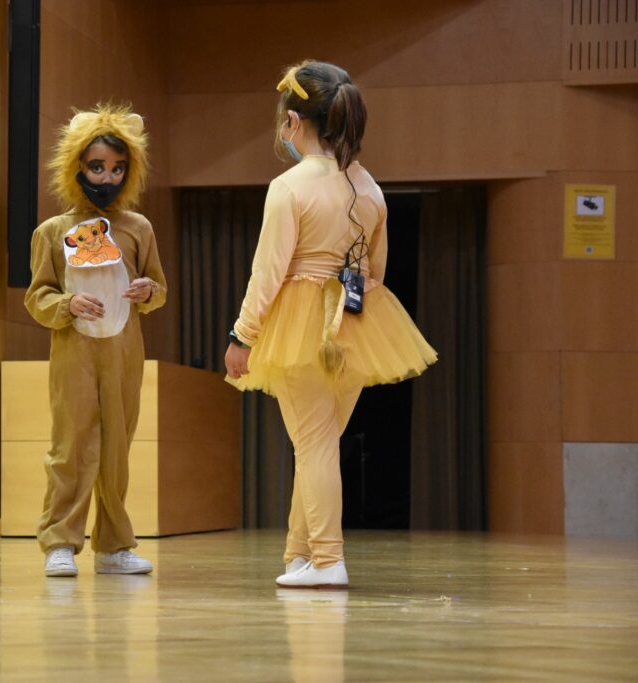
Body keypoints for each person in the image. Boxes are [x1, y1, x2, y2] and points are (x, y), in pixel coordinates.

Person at [224, 61, 437, 589]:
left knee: (314, 445)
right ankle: (299, 554)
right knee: (318, 443)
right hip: (357, 323)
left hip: (301, 321)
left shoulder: (289, 186)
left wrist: (242, 335)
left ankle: (327, 559)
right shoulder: (371, 190)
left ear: (295, 122)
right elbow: (376, 273)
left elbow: (267, 271)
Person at [25, 104, 168, 577]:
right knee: (71, 446)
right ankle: (60, 541)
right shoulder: (51, 232)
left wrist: (148, 292)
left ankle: (114, 545)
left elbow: (157, 288)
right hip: (74, 354)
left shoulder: (138, 228)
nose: (107, 177)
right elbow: (37, 297)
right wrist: (66, 306)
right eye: (97, 167)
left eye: (118, 168)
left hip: (124, 354)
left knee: (118, 450)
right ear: (77, 168)